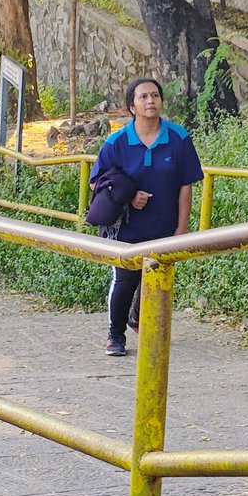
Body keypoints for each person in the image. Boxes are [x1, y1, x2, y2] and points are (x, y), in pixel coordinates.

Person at [90, 77, 203, 357]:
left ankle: (140, 320)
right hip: (126, 228)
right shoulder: (117, 142)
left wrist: (182, 228)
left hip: (164, 226)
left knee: (156, 277)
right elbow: (97, 182)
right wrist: (128, 196)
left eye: (155, 96)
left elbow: (185, 184)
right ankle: (115, 335)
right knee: (126, 279)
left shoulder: (178, 138)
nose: (150, 101)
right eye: (143, 97)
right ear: (132, 106)